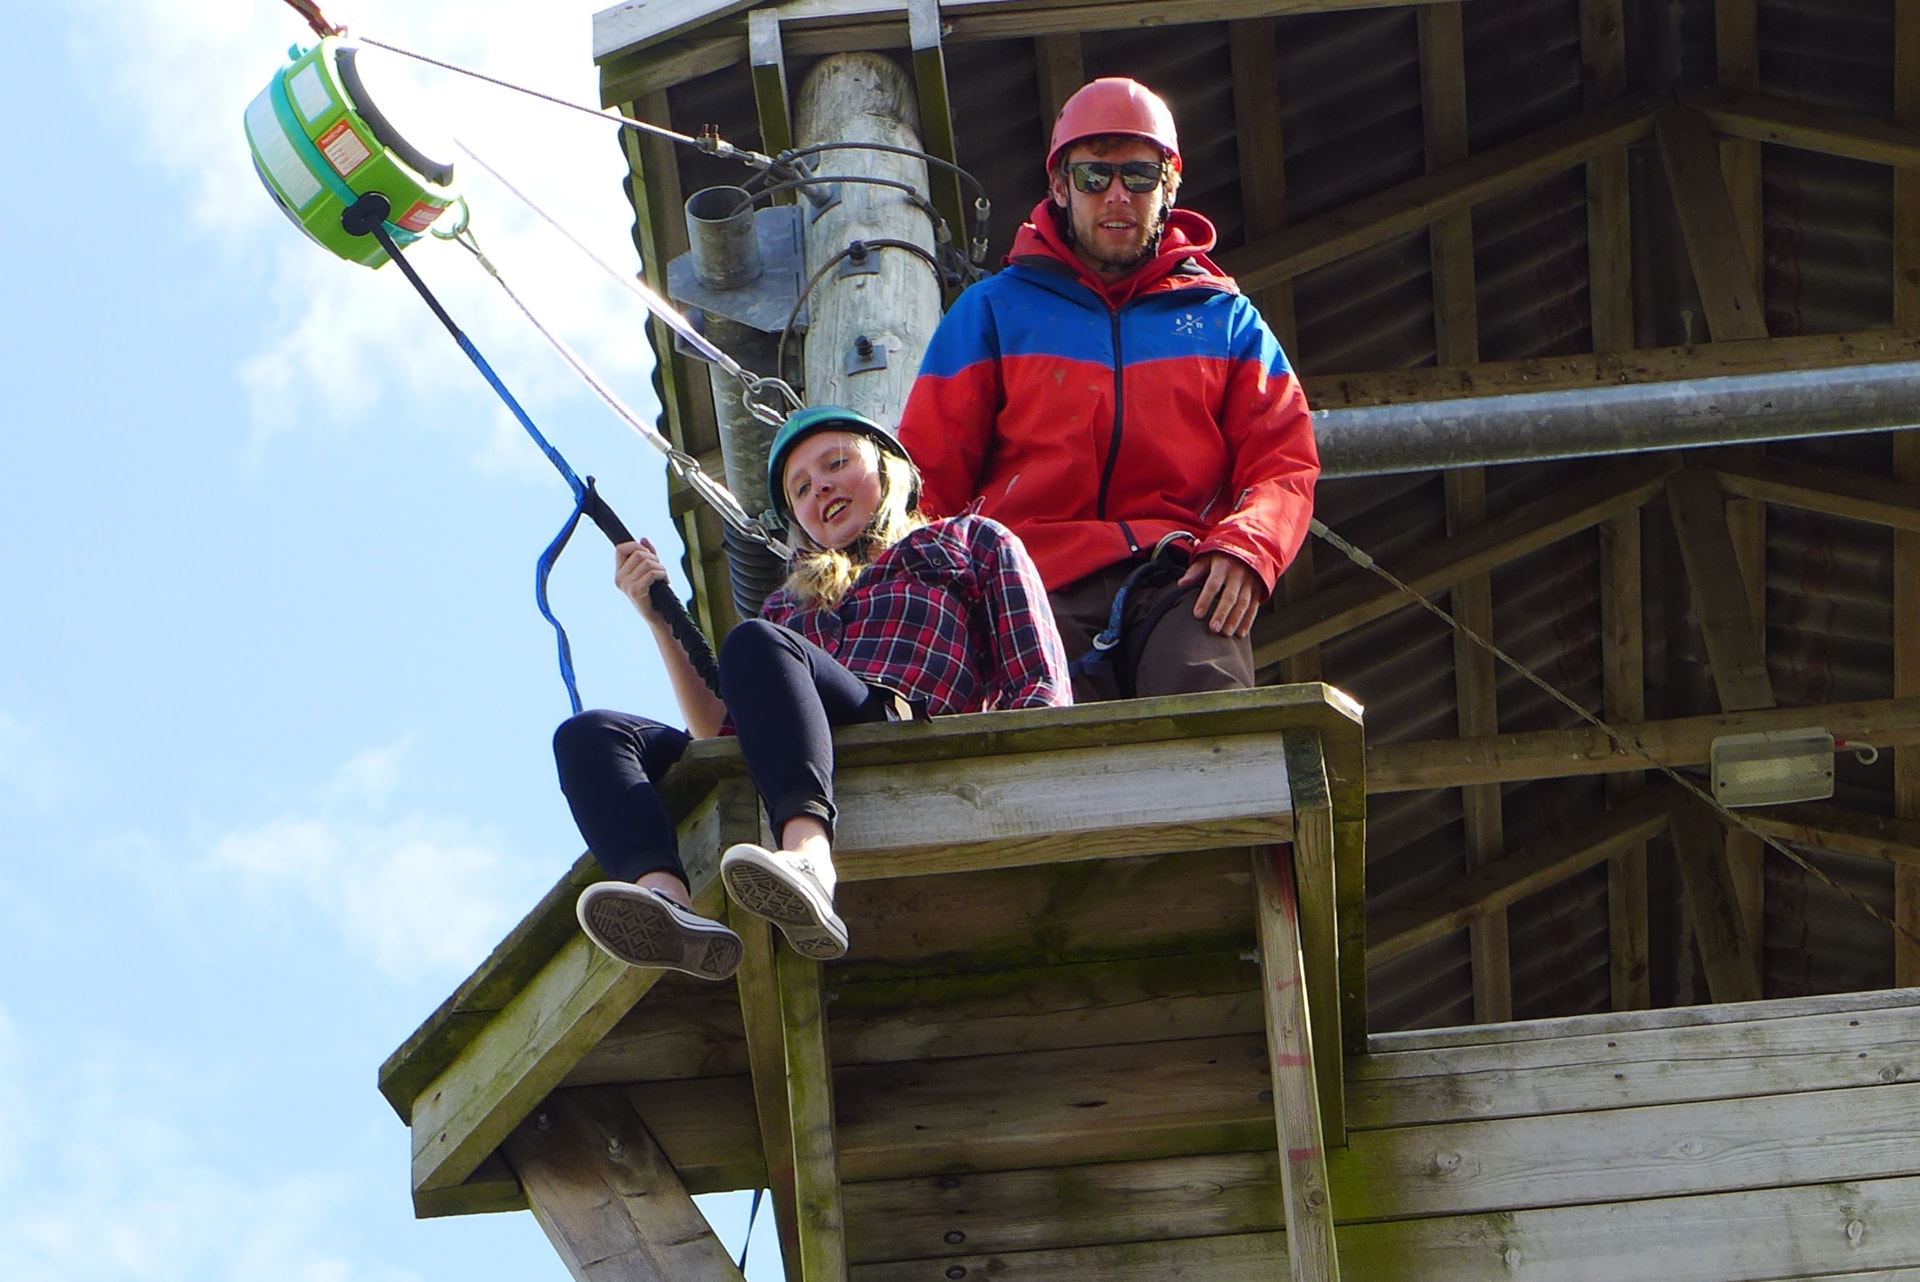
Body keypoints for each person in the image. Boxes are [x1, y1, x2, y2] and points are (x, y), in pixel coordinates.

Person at [553, 406, 1072, 978]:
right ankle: (667, 900)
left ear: (888, 472)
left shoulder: (966, 540)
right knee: (589, 735)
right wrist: (657, 618)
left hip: (889, 716)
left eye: (837, 463)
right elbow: (719, 735)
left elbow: (1037, 676)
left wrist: (1034, 773)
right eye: (800, 488)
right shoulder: (787, 605)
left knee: (755, 642)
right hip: (792, 747)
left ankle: (809, 860)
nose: (819, 486)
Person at [897, 76, 1319, 702]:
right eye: (1095, 176)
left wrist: (1247, 549)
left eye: (1140, 176)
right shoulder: (991, 311)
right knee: (1052, 758)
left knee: (1211, 714)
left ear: (1169, 187)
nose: (1117, 194)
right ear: (1061, 187)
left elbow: (1283, 459)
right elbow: (926, 477)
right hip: (1025, 580)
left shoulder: (1226, 320)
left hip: (1175, 572)